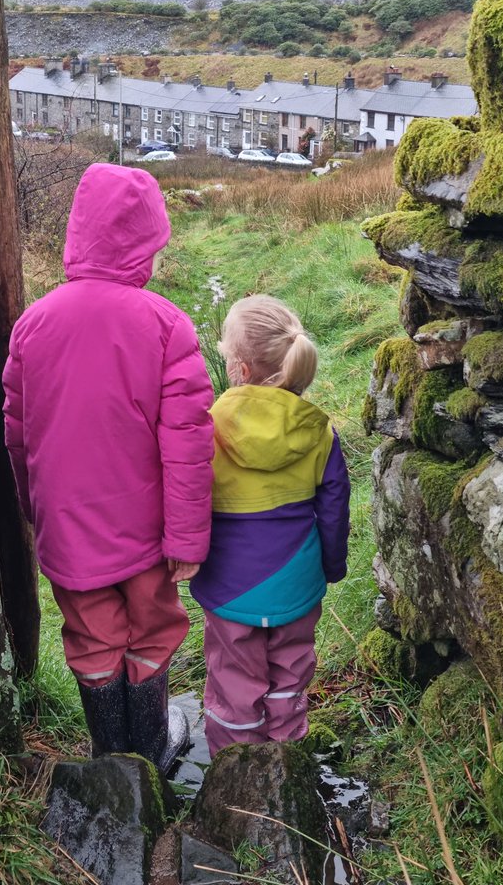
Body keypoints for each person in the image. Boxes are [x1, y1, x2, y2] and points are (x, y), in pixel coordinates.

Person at [3, 163, 214, 772]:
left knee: (92, 636)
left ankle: (108, 757)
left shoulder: (31, 326)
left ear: (78, 234)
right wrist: (187, 540)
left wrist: (32, 510)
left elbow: (17, 438)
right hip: (148, 535)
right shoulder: (166, 325)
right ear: (144, 245)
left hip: (67, 530)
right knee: (151, 631)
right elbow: (188, 446)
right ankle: (149, 751)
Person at [189, 294, 351, 757]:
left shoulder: (210, 424)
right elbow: (335, 507)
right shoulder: (318, 431)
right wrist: (332, 566)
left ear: (239, 368)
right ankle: (287, 759)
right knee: (291, 672)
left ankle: (237, 773)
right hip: (298, 581)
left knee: (233, 681)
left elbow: (190, 497)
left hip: (229, 586)